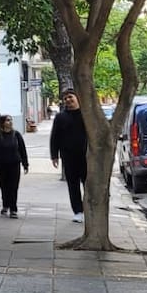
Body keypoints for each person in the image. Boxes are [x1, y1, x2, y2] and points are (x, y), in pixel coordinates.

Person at [50, 89, 88, 223]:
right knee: (73, 185)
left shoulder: (86, 114)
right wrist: (54, 155)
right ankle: (78, 211)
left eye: (70, 97)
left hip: (86, 156)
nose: (68, 100)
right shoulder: (60, 117)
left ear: (77, 98)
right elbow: (54, 137)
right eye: (65, 98)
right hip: (68, 156)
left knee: (88, 183)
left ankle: (88, 210)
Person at [0, 115, 29, 218]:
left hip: (14, 165)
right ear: (2, 122)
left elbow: (22, 150)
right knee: (4, 186)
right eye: (7, 120)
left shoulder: (16, 135)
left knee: (13, 187)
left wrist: (25, 164)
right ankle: (5, 205)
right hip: (1, 165)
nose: (10, 122)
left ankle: (13, 209)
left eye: (10, 120)